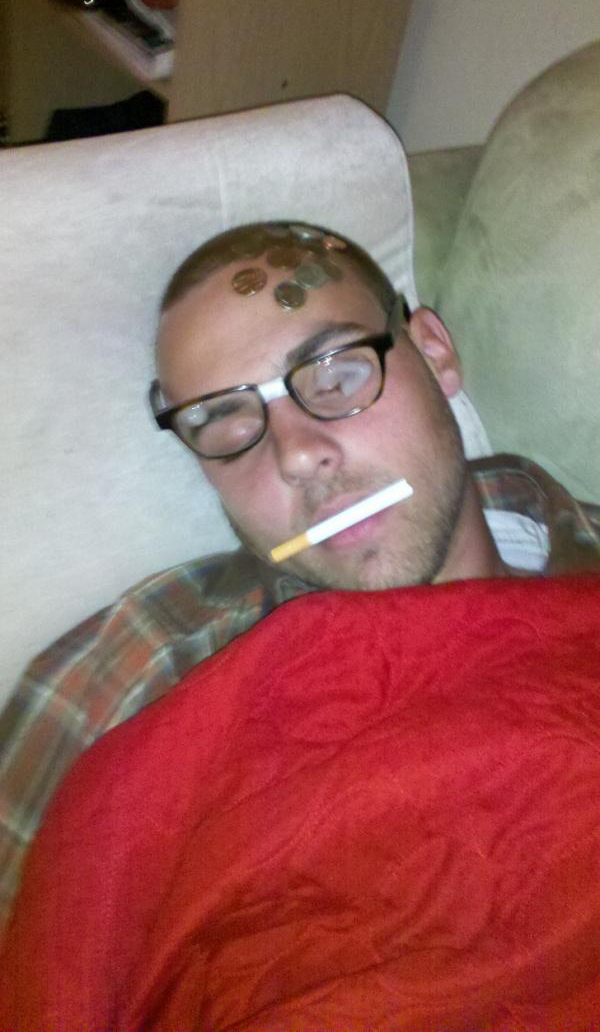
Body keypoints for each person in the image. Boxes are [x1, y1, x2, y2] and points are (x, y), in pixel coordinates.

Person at [1, 219, 600, 1027]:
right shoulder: (136, 661)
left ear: (433, 352)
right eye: (223, 422)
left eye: (336, 372)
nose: (294, 454)